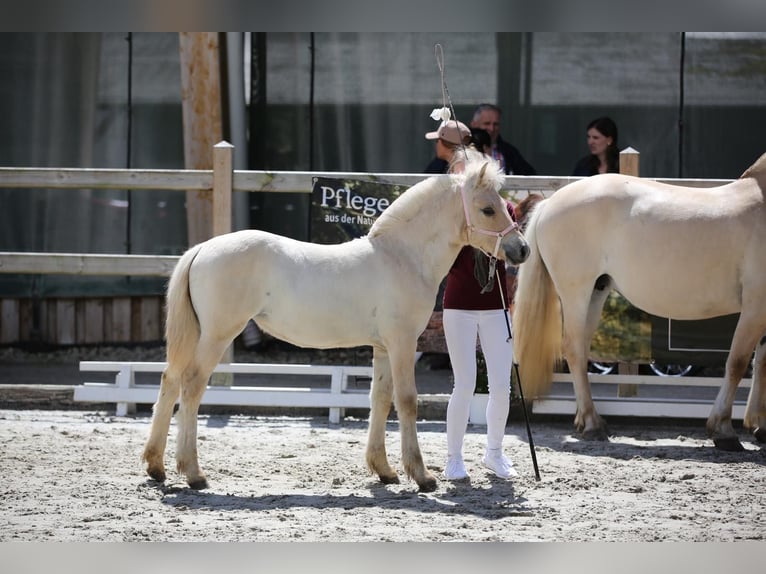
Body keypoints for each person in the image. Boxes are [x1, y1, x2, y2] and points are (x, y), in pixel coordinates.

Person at [422, 122, 518, 480]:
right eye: (459, 172)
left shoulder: (502, 207)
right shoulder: (449, 215)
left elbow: (512, 248)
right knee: (463, 383)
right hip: (459, 305)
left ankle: (494, 452)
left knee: (500, 383)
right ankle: (454, 457)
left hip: (495, 305)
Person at [470, 103, 536, 176]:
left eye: (496, 124)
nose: (492, 129)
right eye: (487, 124)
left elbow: (529, 176)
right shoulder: (464, 149)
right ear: (474, 124)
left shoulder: (509, 152)